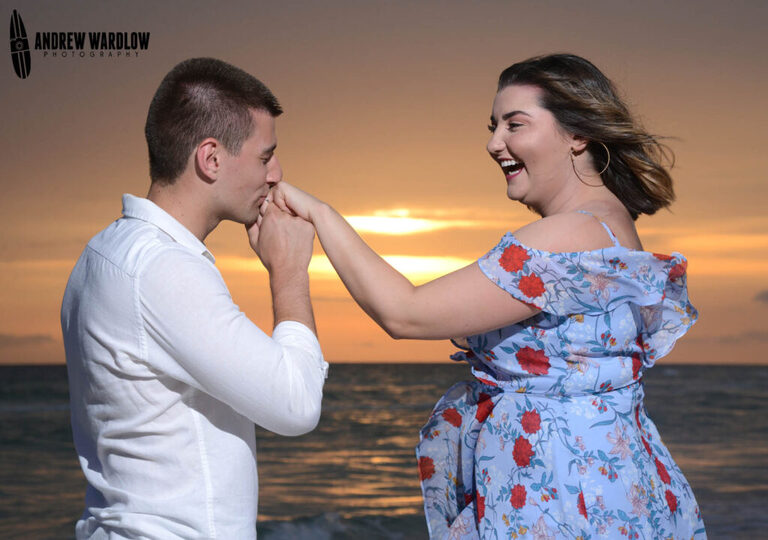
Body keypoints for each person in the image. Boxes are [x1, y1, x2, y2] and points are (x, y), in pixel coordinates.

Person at [265, 54, 705, 538]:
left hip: (562, 498)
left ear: (578, 136)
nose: (495, 143)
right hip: (608, 483)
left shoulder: (568, 236)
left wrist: (318, 213)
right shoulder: (609, 223)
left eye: (515, 124)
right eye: (494, 126)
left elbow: (405, 314)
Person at [60, 57, 328, 539]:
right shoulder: (162, 269)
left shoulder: (101, 254)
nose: (277, 174)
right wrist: (288, 272)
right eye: (265, 156)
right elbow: (297, 403)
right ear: (211, 158)